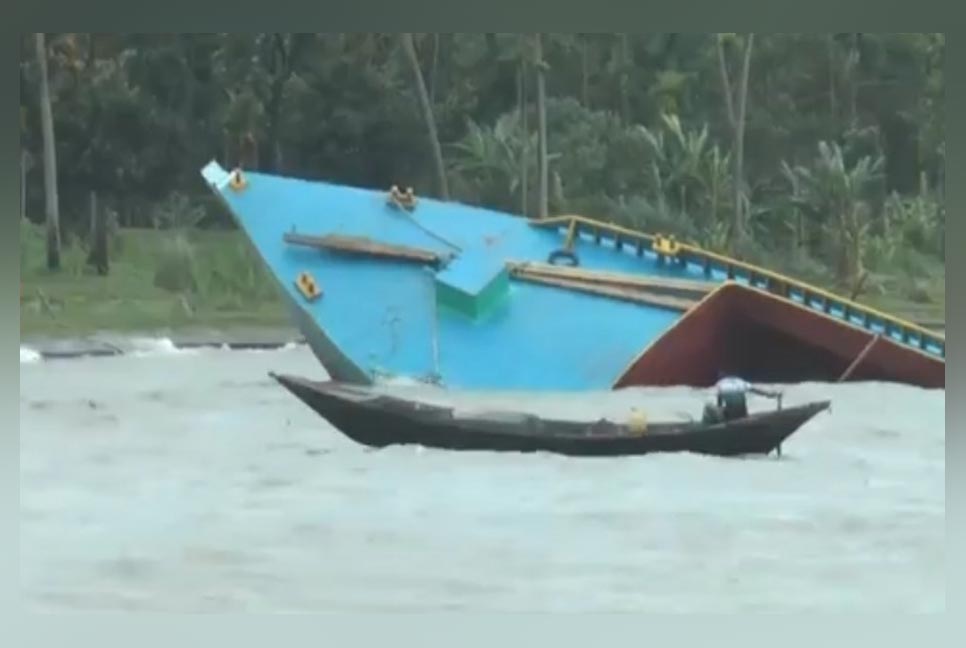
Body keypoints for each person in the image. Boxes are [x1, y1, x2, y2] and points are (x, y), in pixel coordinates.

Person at [711, 372, 782, 422]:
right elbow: (758, 391)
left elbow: (719, 404)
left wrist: (720, 417)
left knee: (709, 407)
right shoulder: (740, 382)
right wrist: (772, 394)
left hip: (731, 417)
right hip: (742, 414)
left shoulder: (720, 384)